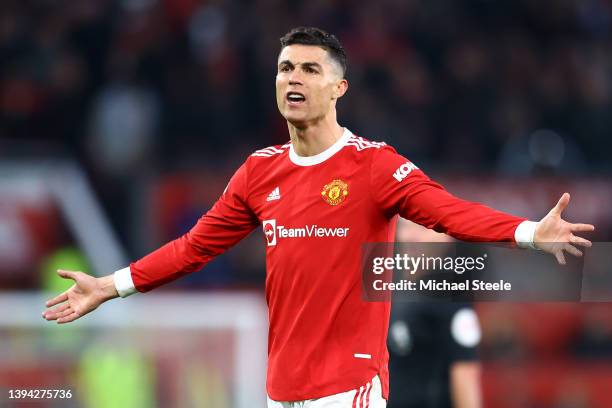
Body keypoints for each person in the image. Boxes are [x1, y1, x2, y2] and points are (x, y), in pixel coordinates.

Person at [42, 27, 594, 407]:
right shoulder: (259, 173)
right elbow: (194, 247)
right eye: (285, 68)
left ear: (339, 88)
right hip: (280, 388)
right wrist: (110, 286)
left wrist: (526, 233)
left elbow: (448, 212)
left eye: (310, 68)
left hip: (348, 386)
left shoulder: (374, 165)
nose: (294, 78)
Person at [388, 219, 482, 408]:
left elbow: (465, 374)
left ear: (447, 236)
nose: (412, 237)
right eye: (406, 227)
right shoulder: (391, 287)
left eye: (423, 229)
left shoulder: (452, 299)